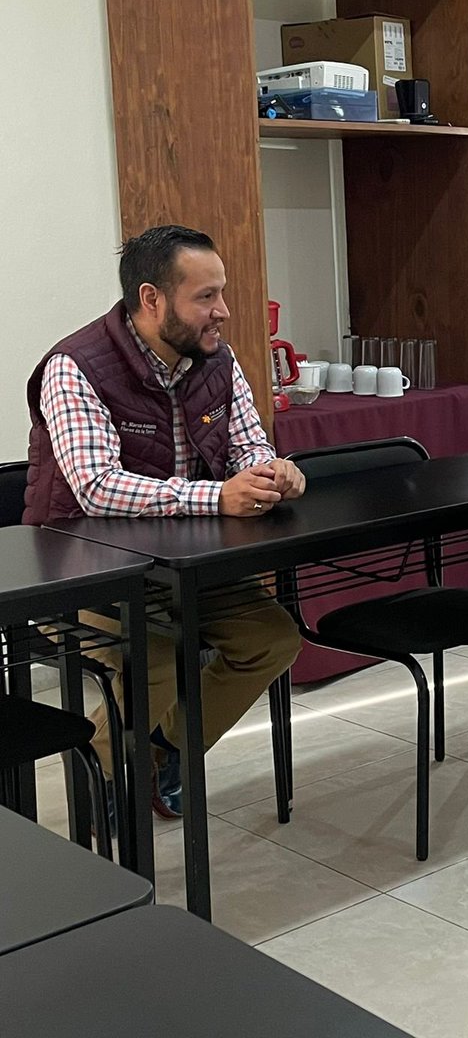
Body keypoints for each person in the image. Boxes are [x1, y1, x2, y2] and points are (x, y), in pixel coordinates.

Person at [24, 224, 305, 819]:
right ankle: (107, 787)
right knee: (150, 661)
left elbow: (247, 447)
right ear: (151, 299)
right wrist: (216, 498)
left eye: (220, 293)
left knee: (273, 639)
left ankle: (163, 749)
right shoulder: (74, 367)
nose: (223, 312)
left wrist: (271, 473)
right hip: (77, 569)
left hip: (182, 562)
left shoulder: (214, 359)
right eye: (206, 297)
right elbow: (96, 488)